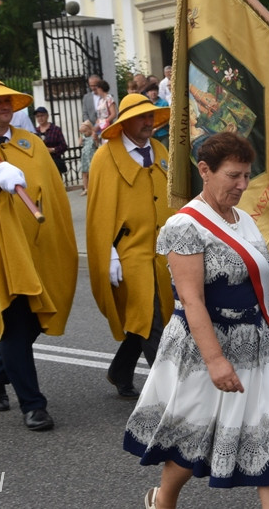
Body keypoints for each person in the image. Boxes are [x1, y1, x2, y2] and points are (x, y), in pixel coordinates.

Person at [124, 132, 269, 509]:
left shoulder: (245, 220)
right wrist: (215, 360)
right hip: (203, 345)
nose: (242, 185)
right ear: (204, 170)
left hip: (256, 345)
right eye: (233, 176)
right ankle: (164, 499)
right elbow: (191, 299)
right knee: (192, 439)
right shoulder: (184, 225)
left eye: (246, 176)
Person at [0, 79, 78, 432]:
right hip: (4, 252)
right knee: (18, 321)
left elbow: (52, 192)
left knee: (35, 321)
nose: (5, 105)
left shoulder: (30, 142)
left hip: (41, 248)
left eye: (7, 100)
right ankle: (33, 405)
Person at [86, 94, 173, 399]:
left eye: (151, 116)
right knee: (151, 318)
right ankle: (170, 393)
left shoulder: (161, 150)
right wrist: (108, 253)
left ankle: (121, 370)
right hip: (129, 253)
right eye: (141, 117)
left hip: (163, 251)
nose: (149, 122)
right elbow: (98, 213)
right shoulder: (105, 157)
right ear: (125, 122)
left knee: (151, 313)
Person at [33, 106, 68, 175]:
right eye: (38, 116)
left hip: (54, 162)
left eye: (42, 115)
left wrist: (52, 150)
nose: (40, 118)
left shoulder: (56, 129)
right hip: (41, 164)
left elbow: (64, 146)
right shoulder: (35, 131)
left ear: (47, 116)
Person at [141, 81, 170, 146]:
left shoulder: (164, 103)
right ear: (147, 93)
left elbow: (167, 119)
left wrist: (155, 129)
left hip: (163, 133)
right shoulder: (145, 104)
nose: (153, 93)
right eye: (151, 91)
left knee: (164, 152)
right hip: (150, 134)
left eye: (155, 91)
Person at [79, 119, 97, 196]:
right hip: (85, 157)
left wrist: (95, 138)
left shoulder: (93, 136)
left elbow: (96, 145)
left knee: (92, 172)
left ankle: (93, 188)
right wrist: (80, 139)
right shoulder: (83, 137)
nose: (84, 133)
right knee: (84, 172)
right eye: (82, 132)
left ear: (90, 129)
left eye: (85, 131)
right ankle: (86, 188)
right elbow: (79, 144)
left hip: (91, 156)